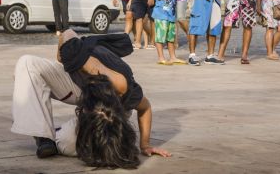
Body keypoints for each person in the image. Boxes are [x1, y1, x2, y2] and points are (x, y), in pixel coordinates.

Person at [11, 29, 171, 169]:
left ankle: (58, 134)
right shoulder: (79, 56)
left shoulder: (127, 92)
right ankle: (43, 135)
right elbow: (67, 32)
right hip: (76, 81)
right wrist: (62, 54)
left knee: (68, 143)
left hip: (108, 96)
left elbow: (145, 108)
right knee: (27, 63)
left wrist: (145, 145)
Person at [152, 0, 186, 65]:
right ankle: (161, 57)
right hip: (160, 14)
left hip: (171, 14)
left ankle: (172, 57)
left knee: (171, 37)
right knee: (160, 36)